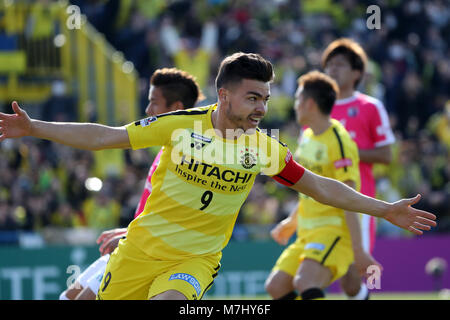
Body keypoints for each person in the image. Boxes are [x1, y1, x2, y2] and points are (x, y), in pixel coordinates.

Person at [0, 52, 436, 300]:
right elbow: (104, 137)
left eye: (265, 98)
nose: (261, 108)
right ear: (223, 95)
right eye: (252, 97)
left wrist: (385, 210)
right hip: (139, 252)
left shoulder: (263, 147)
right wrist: (34, 127)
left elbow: (320, 187)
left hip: (194, 262)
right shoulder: (182, 124)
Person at [58, 67, 204, 300]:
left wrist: (131, 237)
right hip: (136, 241)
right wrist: (130, 232)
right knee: (68, 298)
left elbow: (183, 219)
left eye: (154, 102)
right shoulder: (167, 147)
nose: (147, 110)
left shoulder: (191, 158)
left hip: (150, 254)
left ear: (175, 108)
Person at [265, 71, 381, 300]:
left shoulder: (338, 140)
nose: (295, 105)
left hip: (334, 232)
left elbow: (350, 197)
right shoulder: (306, 136)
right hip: (307, 232)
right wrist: (292, 221)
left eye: (298, 99)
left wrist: (359, 250)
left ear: (309, 104)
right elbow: (310, 187)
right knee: (276, 287)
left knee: (306, 282)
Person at [322, 38, 396, 299]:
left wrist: (346, 152)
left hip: (358, 201)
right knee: (310, 275)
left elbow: (386, 155)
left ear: (357, 73)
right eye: (329, 64)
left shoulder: (370, 107)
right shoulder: (317, 109)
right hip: (321, 202)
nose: (332, 69)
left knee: (352, 281)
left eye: (339, 64)